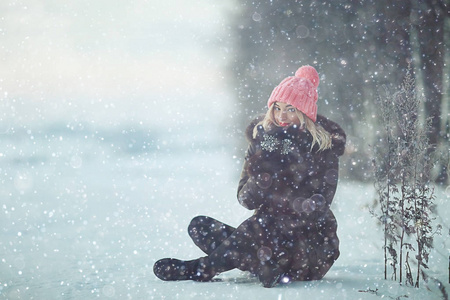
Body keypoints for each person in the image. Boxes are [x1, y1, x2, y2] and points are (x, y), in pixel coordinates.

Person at [153, 65, 346, 288]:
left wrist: (287, 170)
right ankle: (267, 265)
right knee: (200, 226)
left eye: (291, 109)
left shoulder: (322, 149)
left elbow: (318, 204)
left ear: (304, 114)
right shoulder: (262, 143)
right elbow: (245, 200)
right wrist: (263, 178)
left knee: (268, 220)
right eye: (277, 107)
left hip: (311, 250)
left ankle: (204, 267)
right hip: (268, 242)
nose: (282, 116)